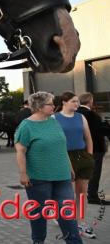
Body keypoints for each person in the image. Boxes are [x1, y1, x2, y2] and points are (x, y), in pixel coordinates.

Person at [15, 92, 82, 244]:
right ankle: (38, 241)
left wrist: (70, 167)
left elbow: (62, 146)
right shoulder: (26, 126)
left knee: (67, 214)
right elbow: (20, 151)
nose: (54, 106)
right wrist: (23, 173)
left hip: (62, 176)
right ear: (38, 106)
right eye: (50, 104)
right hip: (39, 179)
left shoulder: (53, 122)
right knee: (39, 214)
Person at [54, 91, 95, 239]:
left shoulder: (81, 117)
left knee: (82, 193)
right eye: (73, 101)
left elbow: (88, 138)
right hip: (64, 157)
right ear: (64, 102)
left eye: (78, 101)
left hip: (82, 156)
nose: (77, 104)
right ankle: (64, 217)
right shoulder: (54, 118)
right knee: (66, 194)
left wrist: (89, 157)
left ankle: (80, 221)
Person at [77, 92, 110, 205]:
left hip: (79, 148)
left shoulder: (74, 114)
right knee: (95, 173)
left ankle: (80, 195)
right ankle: (92, 196)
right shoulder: (92, 114)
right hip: (95, 148)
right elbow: (99, 130)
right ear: (90, 101)